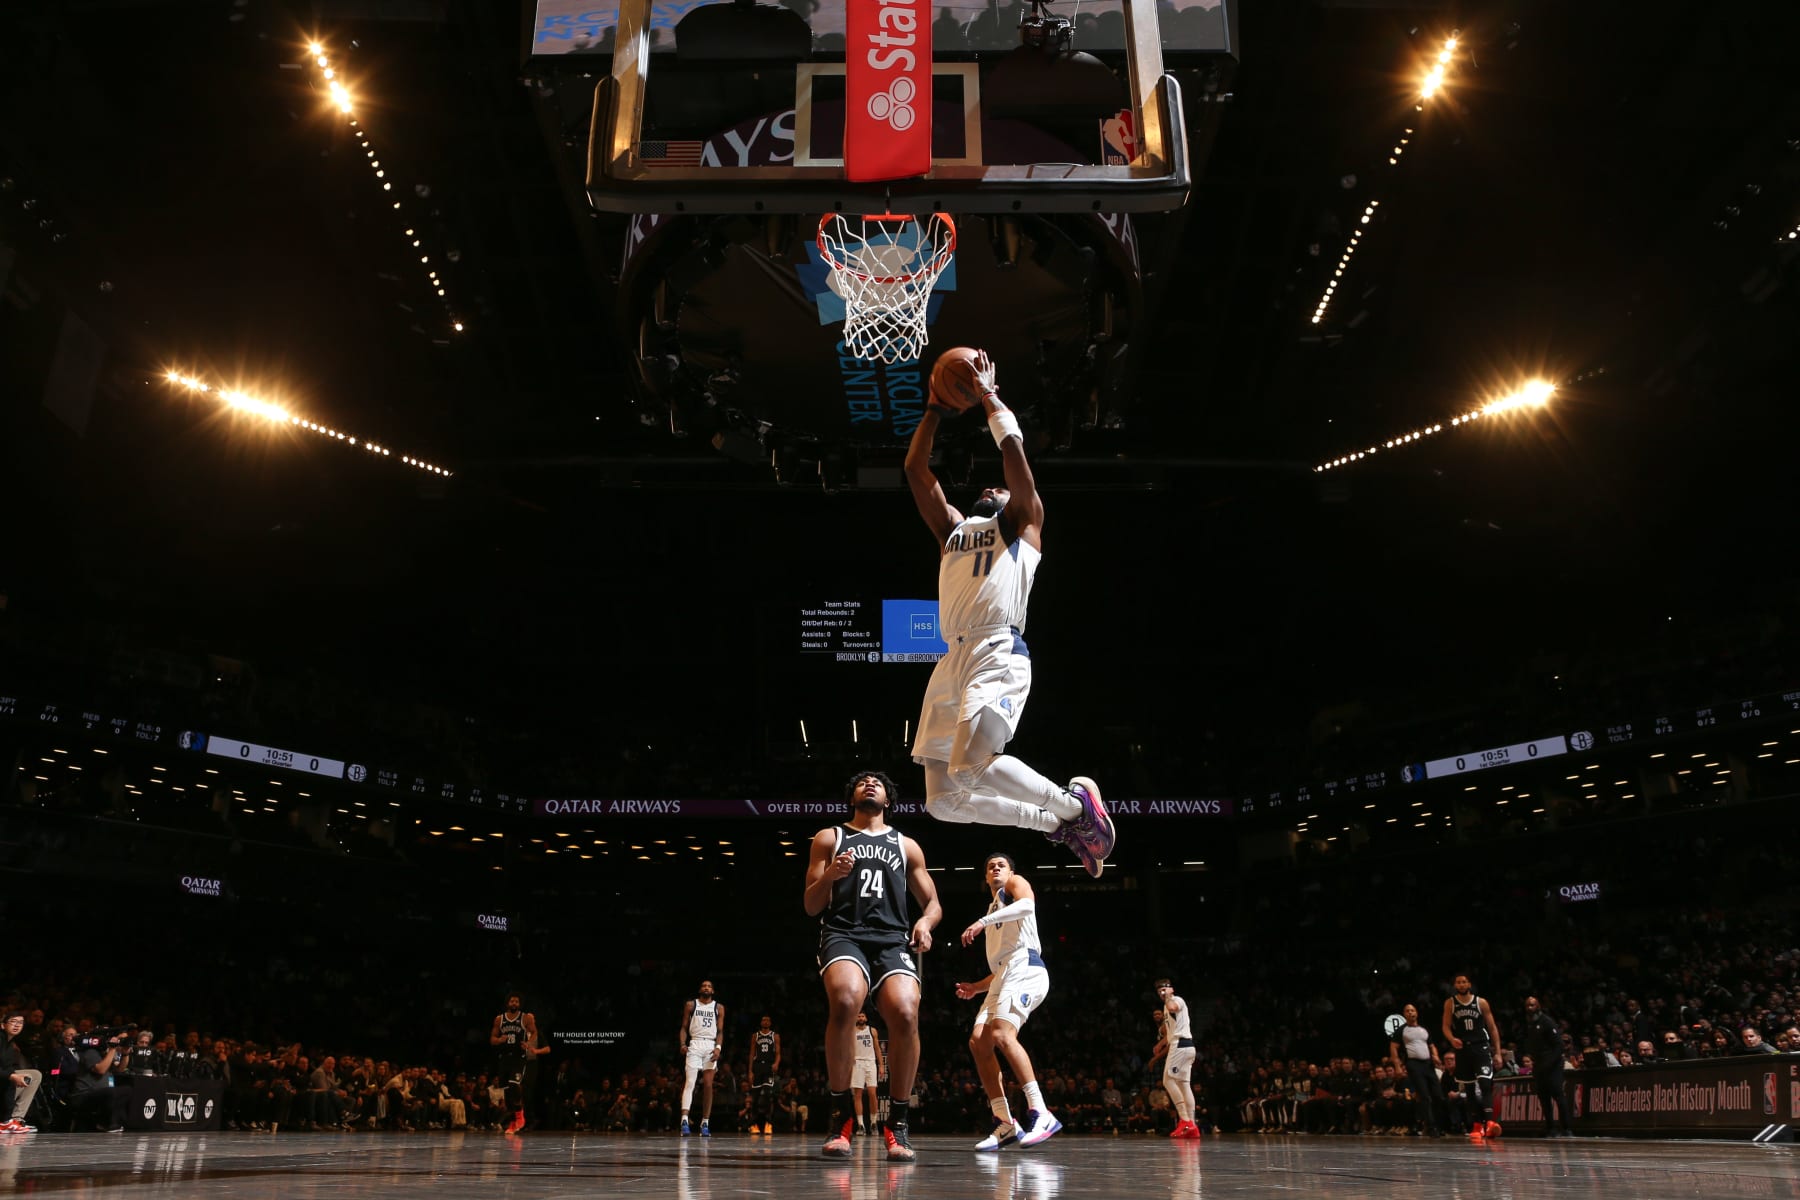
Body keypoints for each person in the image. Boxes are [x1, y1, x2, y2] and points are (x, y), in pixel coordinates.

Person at [903, 348, 1116, 876]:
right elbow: (915, 469)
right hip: (952, 658)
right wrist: (934, 409)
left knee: (973, 766)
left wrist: (989, 397)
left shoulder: (1022, 524)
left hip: (997, 647)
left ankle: (1075, 809)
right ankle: (1052, 824)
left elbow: (1016, 460)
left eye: (997, 489)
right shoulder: (952, 530)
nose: (989, 487)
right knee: (942, 801)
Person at [804, 769, 943, 1161]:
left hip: (891, 938)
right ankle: (840, 1119)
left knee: (906, 1011)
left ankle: (897, 1123)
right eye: (862, 782)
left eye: (877, 782)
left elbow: (933, 904)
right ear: (851, 797)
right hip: (844, 933)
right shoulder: (829, 838)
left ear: (888, 799)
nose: (869, 783)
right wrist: (831, 875)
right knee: (846, 1000)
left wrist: (925, 923)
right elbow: (811, 905)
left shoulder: (906, 845)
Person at [954, 850, 1062, 1150]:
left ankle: (1041, 1112)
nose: (996, 868)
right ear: (985, 876)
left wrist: (982, 921)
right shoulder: (993, 907)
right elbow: (1001, 968)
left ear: (1010, 871)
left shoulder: (1015, 884)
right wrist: (977, 987)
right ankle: (1005, 1122)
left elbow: (1027, 905)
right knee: (979, 1041)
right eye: (990, 866)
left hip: (1026, 966)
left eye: (1001, 865)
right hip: (1005, 973)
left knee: (1002, 1034)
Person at [1441, 974, 1502, 1140]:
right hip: (1462, 1049)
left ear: (1469, 984)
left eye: (1464, 982)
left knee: (1485, 1084)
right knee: (1469, 1089)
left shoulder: (1481, 1002)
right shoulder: (1450, 1003)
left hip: (1480, 1046)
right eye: (1458, 982)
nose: (1461, 984)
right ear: (1455, 985)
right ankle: (1476, 1125)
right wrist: (1451, 1039)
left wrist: (1497, 1052)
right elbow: (1445, 1026)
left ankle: (1490, 1123)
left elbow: (1492, 1027)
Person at [1388, 1003, 1446, 1137]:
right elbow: (1393, 1048)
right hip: (1414, 1064)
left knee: (1438, 1095)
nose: (1410, 1012)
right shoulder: (1402, 1030)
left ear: (1416, 1013)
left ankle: (1440, 1125)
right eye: (1407, 1011)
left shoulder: (1423, 1029)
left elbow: (1432, 1045)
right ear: (1404, 1014)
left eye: (1412, 1010)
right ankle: (1431, 1127)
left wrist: (1436, 1056)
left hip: (1428, 1064)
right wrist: (1397, 1066)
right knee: (1424, 1095)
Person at [489, 993, 544, 1135]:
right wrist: (499, 1040)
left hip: (518, 1057)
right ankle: (513, 1123)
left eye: (516, 1001)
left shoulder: (526, 1017)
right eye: (512, 1001)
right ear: (507, 1003)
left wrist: (528, 1042)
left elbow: (534, 1032)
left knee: (514, 1084)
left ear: (519, 1004)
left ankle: (520, 1114)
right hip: (504, 1058)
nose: (514, 1003)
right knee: (507, 1093)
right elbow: (492, 1039)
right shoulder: (499, 1019)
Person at [1154, 979, 1201, 1138]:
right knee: (1183, 1084)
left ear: (1171, 989)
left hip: (1180, 1045)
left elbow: (1173, 1007)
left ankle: (1185, 1120)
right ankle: (1192, 1125)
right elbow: (1171, 1031)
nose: (1162, 993)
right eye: (1159, 991)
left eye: (1164, 990)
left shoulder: (1176, 1000)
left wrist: (1168, 996)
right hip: (1185, 1045)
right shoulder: (1166, 1005)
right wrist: (1161, 1044)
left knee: (1168, 1080)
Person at [677, 981, 725, 1137]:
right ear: (700, 989)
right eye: (704, 986)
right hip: (695, 1043)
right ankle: (684, 1120)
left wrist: (718, 1048)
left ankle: (705, 1122)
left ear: (713, 991)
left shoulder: (719, 1007)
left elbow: (720, 1031)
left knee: (708, 1085)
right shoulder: (691, 1005)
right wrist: (683, 1043)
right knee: (690, 1082)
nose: (706, 987)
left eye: (709, 986)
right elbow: (684, 1027)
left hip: (710, 1045)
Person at [1521, 996, 1572, 1137]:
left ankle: (1566, 1128)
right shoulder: (1530, 1024)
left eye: (1532, 1005)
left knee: (1558, 1096)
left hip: (1552, 1066)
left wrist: (1549, 1063)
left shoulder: (1547, 1022)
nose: (1530, 1008)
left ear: (1538, 1006)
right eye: (1527, 1005)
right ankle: (1551, 1128)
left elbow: (1559, 1046)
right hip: (1538, 1066)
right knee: (1543, 1098)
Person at [2, 1012, 41, 1132]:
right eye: (13, 1021)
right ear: (3, 1025)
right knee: (10, 1078)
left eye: (20, 1022)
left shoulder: (10, 1044)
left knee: (35, 1075)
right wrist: (11, 1076)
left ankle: (16, 1119)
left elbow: (8, 1067)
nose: (17, 1025)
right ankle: (5, 1121)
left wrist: (13, 1075)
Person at [849, 1011, 885, 1136]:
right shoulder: (852, 1031)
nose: (860, 1018)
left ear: (866, 1018)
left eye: (862, 1016)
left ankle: (873, 1123)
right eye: (858, 1016)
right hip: (857, 1062)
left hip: (870, 1062)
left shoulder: (872, 1030)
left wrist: (881, 1065)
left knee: (872, 1094)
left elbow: (877, 1048)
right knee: (857, 1095)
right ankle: (860, 1125)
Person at [747, 1015, 782, 1134]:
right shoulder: (755, 1036)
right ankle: (754, 1124)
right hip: (757, 1066)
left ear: (770, 1023)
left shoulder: (775, 1036)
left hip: (769, 1066)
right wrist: (750, 1071)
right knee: (755, 1097)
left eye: (767, 1020)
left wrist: (776, 1063)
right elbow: (752, 1054)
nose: (765, 1022)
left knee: (768, 1094)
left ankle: (768, 1123)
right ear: (761, 1022)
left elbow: (778, 1053)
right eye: (763, 1020)